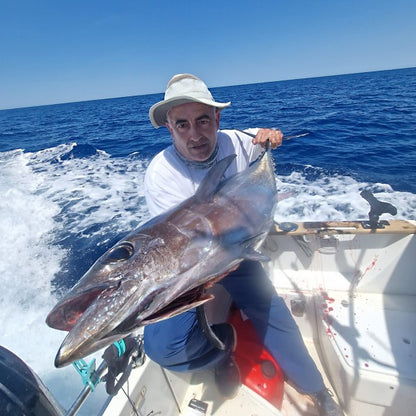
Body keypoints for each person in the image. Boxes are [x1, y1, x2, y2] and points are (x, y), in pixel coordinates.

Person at [143, 73, 343, 416]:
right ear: (169, 128)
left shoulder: (238, 140)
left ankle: (316, 389)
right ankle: (223, 350)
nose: (195, 135)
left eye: (203, 120)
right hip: (193, 265)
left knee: (272, 310)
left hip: (240, 248)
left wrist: (270, 139)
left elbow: (262, 140)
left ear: (217, 118)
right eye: (183, 124)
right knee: (163, 346)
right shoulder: (161, 174)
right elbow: (182, 246)